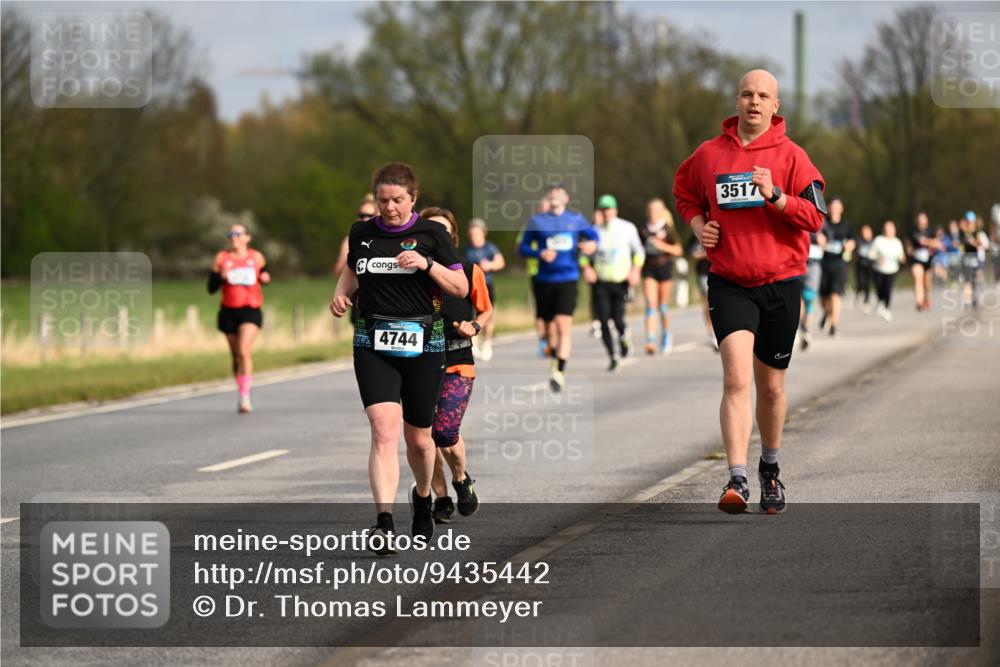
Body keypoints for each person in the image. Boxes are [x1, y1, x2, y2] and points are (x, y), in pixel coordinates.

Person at [673, 69, 826, 515]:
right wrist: (701, 227)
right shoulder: (708, 155)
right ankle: (736, 478)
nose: (754, 102)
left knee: (772, 388)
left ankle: (770, 469)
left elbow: (814, 217)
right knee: (737, 379)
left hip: (780, 283)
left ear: (776, 106)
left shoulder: (793, 156)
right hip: (730, 282)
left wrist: (775, 195)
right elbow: (685, 194)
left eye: (763, 96)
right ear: (736, 101)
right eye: (746, 94)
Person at [330, 162, 468, 554]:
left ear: (413, 198)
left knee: (420, 440)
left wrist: (427, 264)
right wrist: (342, 294)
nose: (389, 208)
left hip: (424, 343)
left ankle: (423, 498)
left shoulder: (432, 233)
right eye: (382, 200)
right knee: (383, 430)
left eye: (397, 200)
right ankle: (384, 521)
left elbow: (459, 287)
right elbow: (352, 271)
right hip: (373, 341)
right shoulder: (362, 232)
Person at [420, 208, 491, 524]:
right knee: (424, 436)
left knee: (445, 431)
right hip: (420, 360)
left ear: (453, 237)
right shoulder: (411, 271)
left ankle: (461, 479)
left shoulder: (468, 269)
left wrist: (474, 327)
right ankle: (441, 497)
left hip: (458, 360)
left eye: (443, 231)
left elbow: (486, 311)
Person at [518, 183, 598, 392]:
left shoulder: (575, 219)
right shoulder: (537, 221)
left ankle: (559, 371)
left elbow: (594, 237)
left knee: (563, 326)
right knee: (546, 329)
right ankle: (553, 353)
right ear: (547, 198)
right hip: (544, 280)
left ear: (566, 199)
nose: (554, 195)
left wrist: (590, 246)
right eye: (551, 193)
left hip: (568, 279)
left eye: (559, 192)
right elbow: (523, 247)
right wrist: (539, 254)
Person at [208, 222, 270, 414]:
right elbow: (210, 288)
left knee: (244, 351)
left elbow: (265, 274)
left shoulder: (256, 257)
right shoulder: (221, 258)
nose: (233, 237)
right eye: (231, 234)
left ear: (247, 237)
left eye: (237, 233)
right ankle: (241, 389)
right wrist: (221, 277)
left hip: (250, 310)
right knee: (236, 356)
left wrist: (266, 278)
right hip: (228, 311)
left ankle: (245, 397)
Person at [583, 194, 645, 371]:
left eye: (609, 209)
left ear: (615, 210)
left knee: (617, 318)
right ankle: (613, 356)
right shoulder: (594, 231)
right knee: (603, 320)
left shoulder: (627, 228)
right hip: (601, 281)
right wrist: (587, 268)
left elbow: (639, 252)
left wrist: (635, 270)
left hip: (621, 281)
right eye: (603, 209)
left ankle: (624, 337)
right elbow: (583, 256)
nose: (606, 212)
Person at [639, 198, 684, 354]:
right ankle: (650, 339)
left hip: (664, 267)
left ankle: (666, 334)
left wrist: (661, 246)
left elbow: (679, 250)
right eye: (650, 210)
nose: (653, 213)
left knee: (663, 305)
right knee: (651, 304)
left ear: (662, 211)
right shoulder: (643, 228)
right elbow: (638, 249)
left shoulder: (668, 228)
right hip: (649, 269)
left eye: (656, 210)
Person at [463, 218, 505, 361]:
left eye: (476, 233)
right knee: (471, 314)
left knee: (488, 315)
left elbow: (500, 262)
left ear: (483, 233)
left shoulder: (489, 248)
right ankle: (474, 342)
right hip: (471, 287)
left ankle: (487, 342)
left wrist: (490, 265)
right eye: (471, 234)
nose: (474, 237)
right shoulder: (466, 249)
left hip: (487, 285)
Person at [818, 198, 855, 337]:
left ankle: (834, 325)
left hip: (840, 263)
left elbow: (853, 240)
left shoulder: (847, 225)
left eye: (837, 207)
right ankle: (827, 313)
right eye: (832, 207)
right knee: (823, 297)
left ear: (841, 209)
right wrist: (819, 239)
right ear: (829, 208)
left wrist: (851, 245)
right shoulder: (823, 223)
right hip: (824, 262)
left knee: (835, 294)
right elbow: (814, 235)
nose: (834, 209)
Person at [870, 220, 906, 321]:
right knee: (880, 288)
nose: (889, 231)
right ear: (884, 230)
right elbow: (871, 254)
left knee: (888, 289)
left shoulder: (897, 242)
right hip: (879, 270)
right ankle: (881, 303)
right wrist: (878, 258)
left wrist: (903, 258)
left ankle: (886, 308)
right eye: (887, 229)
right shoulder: (878, 240)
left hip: (892, 270)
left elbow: (901, 256)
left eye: (891, 229)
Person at [686, 234, 716, 350]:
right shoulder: (697, 234)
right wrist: (706, 254)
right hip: (703, 273)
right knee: (709, 303)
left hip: (721, 272)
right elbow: (691, 253)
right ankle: (712, 333)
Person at [798, 229, 825, 350]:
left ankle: (806, 329)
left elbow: (828, 242)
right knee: (798, 298)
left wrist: (823, 242)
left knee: (809, 298)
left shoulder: (823, 223)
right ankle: (801, 328)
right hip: (797, 263)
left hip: (813, 265)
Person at [908, 211, 939, 312]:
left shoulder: (931, 231)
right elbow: (916, 241)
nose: (922, 221)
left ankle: (926, 297)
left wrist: (929, 243)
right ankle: (919, 302)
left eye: (924, 219)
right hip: (916, 259)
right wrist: (929, 242)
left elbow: (937, 244)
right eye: (920, 219)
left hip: (928, 260)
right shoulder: (914, 231)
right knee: (918, 278)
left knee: (927, 282)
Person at [854, 224, 876, 313]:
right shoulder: (859, 241)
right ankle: (859, 292)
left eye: (867, 232)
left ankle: (866, 301)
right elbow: (854, 252)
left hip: (869, 265)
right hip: (860, 265)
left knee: (867, 283)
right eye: (864, 232)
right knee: (860, 281)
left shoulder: (874, 242)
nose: (865, 234)